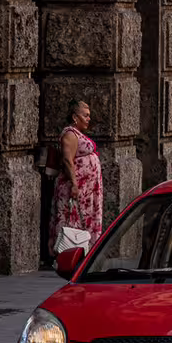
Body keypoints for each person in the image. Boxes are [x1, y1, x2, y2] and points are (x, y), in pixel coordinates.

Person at [52, 99, 104, 253]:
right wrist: (74, 184)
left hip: (86, 190)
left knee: (82, 220)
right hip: (76, 188)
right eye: (86, 115)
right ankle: (68, 252)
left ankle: (84, 251)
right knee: (72, 220)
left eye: (89, 116)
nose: (89, 119)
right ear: (75, 117)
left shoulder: (78, 134)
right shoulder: (70, 134)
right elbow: (68, 160)